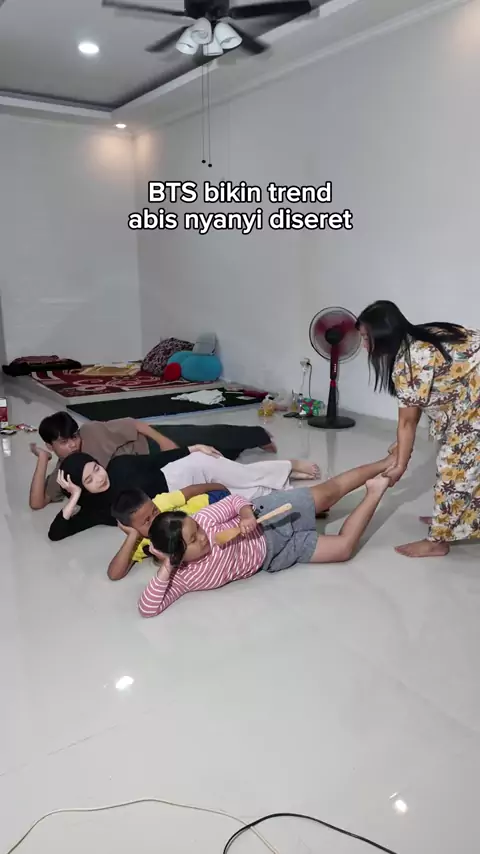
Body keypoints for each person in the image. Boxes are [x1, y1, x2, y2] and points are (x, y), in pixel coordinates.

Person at [137, 453, 394, 617]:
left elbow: (234, 500)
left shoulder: (204, 519)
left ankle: (385, 463)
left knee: (327, 494)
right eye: (193, 540)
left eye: (197, 530)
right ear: (176, 556)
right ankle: (375, 491)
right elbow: (147, 609)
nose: (202, 536)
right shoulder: (183, 578)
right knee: (343, 549)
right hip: (276, 555)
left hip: (266, 516)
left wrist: (246, 516)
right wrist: (167, 567)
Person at [356, 300, 480, 558]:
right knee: (465, 463)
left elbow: (408, 421)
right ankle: (450, 521)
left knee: (453, 466)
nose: (363, 346)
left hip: (474, 398)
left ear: (384, 335)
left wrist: (401, 464)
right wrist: (401, 445)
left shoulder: (412, 360)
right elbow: (421, 400)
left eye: (367, 338)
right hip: (470, 394)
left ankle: (438, 540)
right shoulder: (420, 335)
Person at [48, 447, 321, 542]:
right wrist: (74, 498)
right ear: (80, 487)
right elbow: (56, 533)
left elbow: (156, 459)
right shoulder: (96, 511)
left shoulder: (118, 465)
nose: (99, 477)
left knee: (243, 477)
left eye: (96, 468)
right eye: (89, 480)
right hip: (185, 498)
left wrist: (191, 448)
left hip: (186, 471)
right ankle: (288, 482)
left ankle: (289, 467)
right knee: (245, 494)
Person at [29, 411, 276, 510]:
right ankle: (239, 447)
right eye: (64, 442)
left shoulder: (92, 431)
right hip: (151, 469)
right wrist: (43, 459)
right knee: (213, 456)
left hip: (150, 442)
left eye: (74, 437)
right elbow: (38, 503)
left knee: (206, 435)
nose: (73, 445)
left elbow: (133, 423)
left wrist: (164, 442)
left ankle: (258, 435)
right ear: (51, 446)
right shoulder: (65, 472)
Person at [107, 486, 230, 581]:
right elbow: (114, 574)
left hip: (213, 501)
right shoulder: (141, 542)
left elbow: (191, 491)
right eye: (147, 521)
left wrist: (220, 486)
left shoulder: (163, 501)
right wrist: (132, 535)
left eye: (155, 510)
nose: (156, 518)